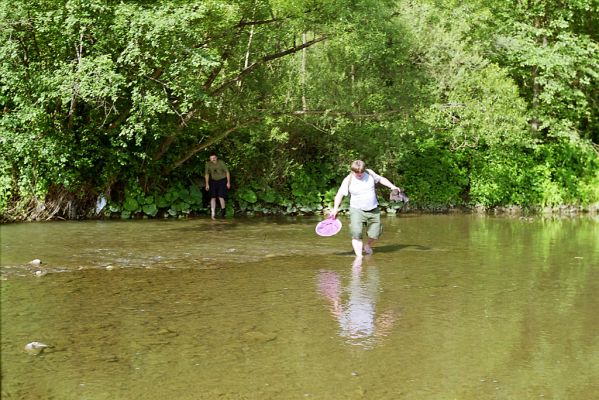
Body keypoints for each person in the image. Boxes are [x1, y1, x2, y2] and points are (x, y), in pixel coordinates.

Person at [330, 160, 400, 257]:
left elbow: (380, 179)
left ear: (364, 170)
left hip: (373, 209)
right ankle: (359, 258)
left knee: (376, 233)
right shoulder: (348, 180)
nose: (359, 175)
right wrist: (335, 209)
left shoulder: (369, 173)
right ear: (352, 171)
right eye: (357, 173)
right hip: (357, 210)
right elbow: (339, 195)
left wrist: (393, 187)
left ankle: (367, 245)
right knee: (356, 233)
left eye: (361, 173)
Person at [204, 153, 230, 219]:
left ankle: (223, 212)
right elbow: (207, 174)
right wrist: (207, 184)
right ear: (210, 159)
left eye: (214, 158)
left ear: (216, 158)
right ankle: (213, 213)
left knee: (220, 196)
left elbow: (227, 172)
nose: (213, 159)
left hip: (222, 180)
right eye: (211, 158)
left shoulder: (221, 162)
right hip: (213, 181)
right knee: (213, 197)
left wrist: (228, 182)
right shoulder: (208, 164)